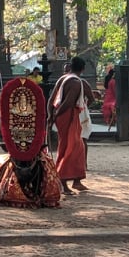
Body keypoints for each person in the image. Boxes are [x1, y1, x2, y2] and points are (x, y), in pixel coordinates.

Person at [49, 55, 94, 197]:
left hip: (63, 116)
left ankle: (76, 180)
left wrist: (51, 114)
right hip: (68, 115)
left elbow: (51, 99)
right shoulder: (76, 82)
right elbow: (68, 102)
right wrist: (56, 115)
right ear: (83, 69)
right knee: (72, 148)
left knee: (75, 147)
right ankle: (63, 181)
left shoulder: (62, 79)